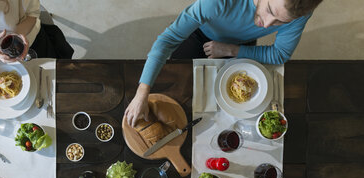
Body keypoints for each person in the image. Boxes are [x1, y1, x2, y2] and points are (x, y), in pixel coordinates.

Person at [125, 0, 323, 126]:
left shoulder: (299, 12)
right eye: (270, 10)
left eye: (281, 22)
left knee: (224, 113)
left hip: (237, 47)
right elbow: (167, 41)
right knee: (177, 88)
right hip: (198, 33)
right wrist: (142, 92)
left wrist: (231, 50)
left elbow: (279, 54)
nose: (268, 24)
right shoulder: (217, 1)